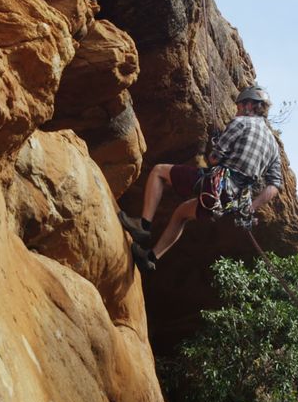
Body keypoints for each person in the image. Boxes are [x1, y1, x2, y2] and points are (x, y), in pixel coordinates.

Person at [119, 85, 283, 272]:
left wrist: (216, 145)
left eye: (238, 107)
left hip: (216, 185)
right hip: (230, 201)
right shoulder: (272, 146)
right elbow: (274, 185)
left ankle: (143, 225)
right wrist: (251, 207)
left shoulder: (242, 123)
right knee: (181, 214)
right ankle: (150, 257)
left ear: (249, 105)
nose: (237, 111)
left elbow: (214, 158)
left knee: (158, 172)